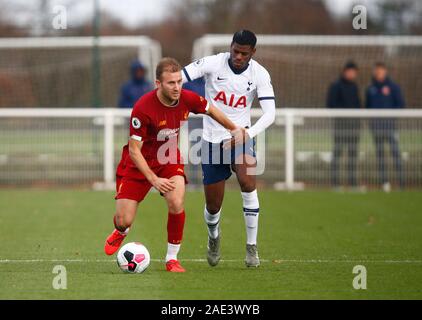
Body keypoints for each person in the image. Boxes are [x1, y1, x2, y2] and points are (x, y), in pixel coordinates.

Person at [104, 57, 243, 273]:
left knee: (176, 201)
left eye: (179, 81)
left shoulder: (187, 98)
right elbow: (133, 150)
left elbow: (211, 110)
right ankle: (121, 231)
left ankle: (172, 259)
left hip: (169, 158)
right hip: (137, 163)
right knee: (123, 220)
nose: (177, 87)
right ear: (158, 84)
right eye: (171, 83)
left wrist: (235, 129)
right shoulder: (143, 108)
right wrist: (153, 179)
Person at [182, 30, 276, 267]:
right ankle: (214, 237)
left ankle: (251, 247)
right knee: (213, 206)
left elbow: (270, 114)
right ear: (230, 46)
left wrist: (247, 133)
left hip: (241, 137)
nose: (238, 56)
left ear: (252, 53)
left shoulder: (260, 74)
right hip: (212, 140)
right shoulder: (213, 63)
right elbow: (182, 76)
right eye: (235, 51)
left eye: (244, 53)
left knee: (247, 182)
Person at [366, 62, 405, 192]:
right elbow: (367, 107)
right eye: (377, 71)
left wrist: (391, 118)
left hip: (390, 127)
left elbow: (400, 104)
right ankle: (384, 182)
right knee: (380, 155)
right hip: (376, 128)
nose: (379, 73)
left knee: (395, 153)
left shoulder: (393, 87)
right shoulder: (370, 88)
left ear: (385, 71)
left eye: (381, 70)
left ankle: (402, 182)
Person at [326, 61, 361, 188]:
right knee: (338, 153)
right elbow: (331, 104)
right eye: (350, 71)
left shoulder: (355, 86)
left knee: (353, 154)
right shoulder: (336, 85)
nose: (352, 74)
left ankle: (353, 183)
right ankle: (335, 183)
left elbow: (358, 105)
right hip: (340, 126)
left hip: (354, 127)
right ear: (345, 71)